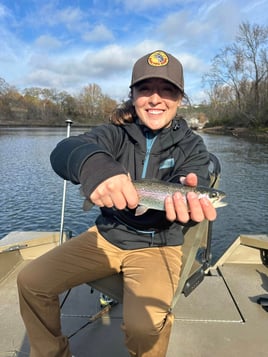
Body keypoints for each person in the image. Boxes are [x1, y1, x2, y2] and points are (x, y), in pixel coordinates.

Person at [17, 50, 217, 357]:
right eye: (145, 89)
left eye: (167, 90)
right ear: (133, 95)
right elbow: (65, 150)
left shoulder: (193, 146)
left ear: (179, 99)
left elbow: (193, 183)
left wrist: (190, 208)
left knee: (145, 327)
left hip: (158, 246)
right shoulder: (114, 134)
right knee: (30, 281)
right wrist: (95, 167)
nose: (155, 99)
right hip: (106, 234)